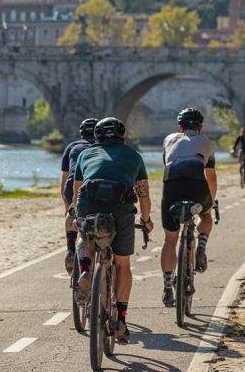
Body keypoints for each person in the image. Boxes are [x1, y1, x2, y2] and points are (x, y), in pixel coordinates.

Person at [71, 117, 154, 343]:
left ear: (96, 138)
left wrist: (75, 216)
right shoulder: (133, 156)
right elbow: (143, 195)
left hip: (89, 202)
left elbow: (76, 190)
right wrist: (146, 220)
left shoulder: (84, 154)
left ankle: (86, 268)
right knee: (122, 263)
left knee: (83, 235)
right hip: (121, 208)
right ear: (123, 138)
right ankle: (121, 320)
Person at [160, 108, 217, 307]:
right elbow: (210, 176)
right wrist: (211, 201)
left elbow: (166, 166)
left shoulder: (169, 140)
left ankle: (168, 287)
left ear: (180, 127)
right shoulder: (207, 143)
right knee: (206, 214)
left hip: (172, 188)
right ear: (200, 128)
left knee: (170, 239)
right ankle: (201, 246)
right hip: (196, 186)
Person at [60, 118, 98, 274]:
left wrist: (67, 206)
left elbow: (65, 181)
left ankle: (70, 249)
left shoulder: (72, 147)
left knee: (73, 213)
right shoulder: (102, 148)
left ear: (81, 134)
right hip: (95, 186)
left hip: (72, 186)